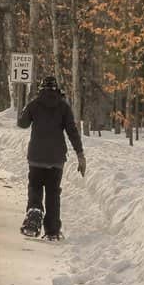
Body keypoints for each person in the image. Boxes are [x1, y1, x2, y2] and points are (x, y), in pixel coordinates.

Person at [15, 75, 85, 240]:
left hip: (36, 156)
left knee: (35, 187)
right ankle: (52, 230)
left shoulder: (34, 104)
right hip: (56, 159)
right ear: (57, 89)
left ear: (41, 89)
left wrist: (24, 107)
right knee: (53, 193)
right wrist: (80, 154)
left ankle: (34, 211)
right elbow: (72, 131)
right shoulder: (63, 107)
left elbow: (22, 123)